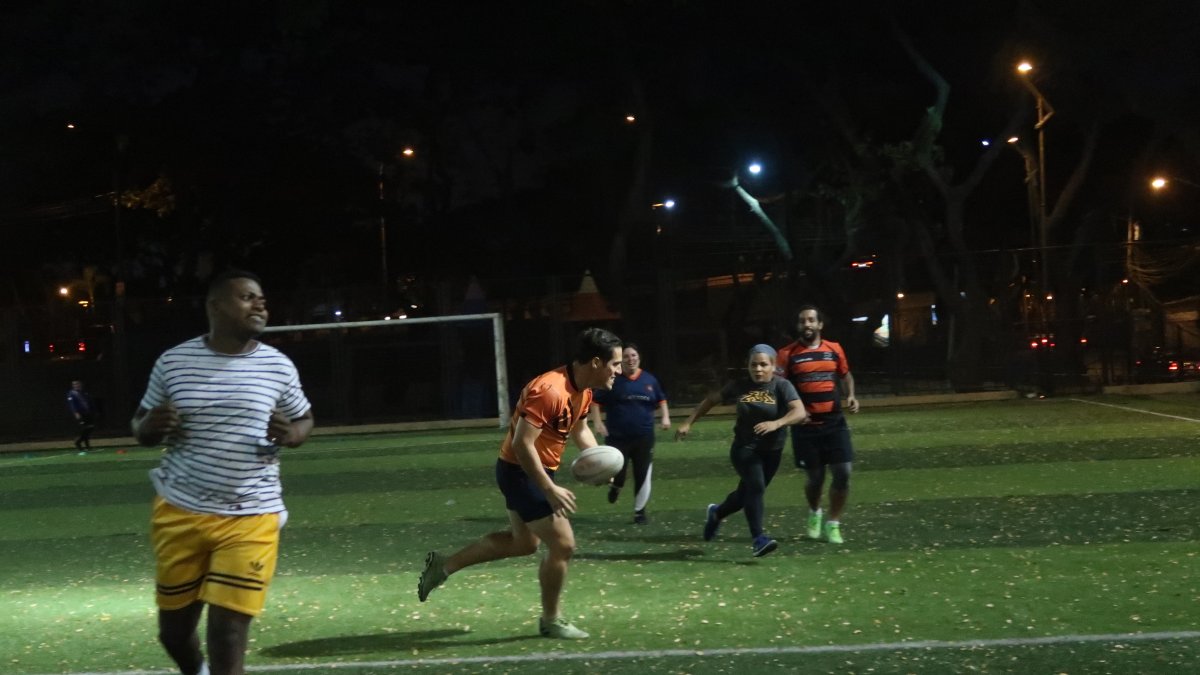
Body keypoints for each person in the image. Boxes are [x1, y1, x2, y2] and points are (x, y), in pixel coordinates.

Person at [130, 270, 314, 675]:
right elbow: (141, 422)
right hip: (181, 510)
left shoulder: (277, 366)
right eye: (248, 297)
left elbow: (305, 419)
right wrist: (148, 428)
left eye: (262, 297)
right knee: (174, 633)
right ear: (215, 307)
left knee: (227, 629)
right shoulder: (174, 362)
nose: (260, 304)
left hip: (253, 512)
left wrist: (292, 435)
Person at [417, 327, 623, 640]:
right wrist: (548, 489)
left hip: (533, 471)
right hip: (520, 472)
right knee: (564, 544)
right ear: (596, 362)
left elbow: (580, 430)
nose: (619, 371)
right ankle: (551, 620)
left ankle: (443, 566)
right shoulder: (549, 390)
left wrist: (596, 462)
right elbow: (522, 444)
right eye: (615, 364)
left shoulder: (584, 391)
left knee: (523, 543)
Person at [676, 344, 807, 557]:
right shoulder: (739, 385)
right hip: (744, 449)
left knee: (745, 494)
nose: (758, 369)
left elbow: (800, 412)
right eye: (753, 364)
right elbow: (710, 400)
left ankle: (716, 513)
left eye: (764, 364)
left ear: (773, 366)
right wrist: (689, 422)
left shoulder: (782, 386)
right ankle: (758, 539)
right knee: (755, 487)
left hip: (772, 451)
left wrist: (776, 423)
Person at [776, 305, 860, 545]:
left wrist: (851, 395)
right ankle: (815, 512)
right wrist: (793, 412)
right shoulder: (787, 354)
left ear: (820, 325)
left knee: (843, 473)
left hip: (835, 423)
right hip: (805, 428)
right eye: (803, 321)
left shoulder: (834, 349)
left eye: (812, 320)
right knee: (815, 479)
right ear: (798, 326)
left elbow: (845, 375)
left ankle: (833, 523)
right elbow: (779, 389)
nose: (807, 324)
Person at [587, 342, 671, 524]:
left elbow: (661, 399)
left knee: (643, 472)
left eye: (633, 355)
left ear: (639, 358)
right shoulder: (613, 380)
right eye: (626, 356)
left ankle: (639, 512)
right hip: (617, 437)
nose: (630, 359)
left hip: (644, 436)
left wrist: (665, 417)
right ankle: (616, 487)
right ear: (620, 360)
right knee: (619, 472)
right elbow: (595, 401)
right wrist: (598, 423)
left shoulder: (650, 380)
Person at [67, 379, 96, 452]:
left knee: (90, 428)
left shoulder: (84, 393)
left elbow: (89, 402)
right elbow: (72, 404)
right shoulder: (72, 393)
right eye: (74, 384)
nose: (76, 385)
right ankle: (78, 442)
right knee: (84, 429)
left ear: (80, 384)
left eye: (77, 384)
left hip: (88, 413)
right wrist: (76, 413)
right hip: (80, 413)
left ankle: (87, 446)